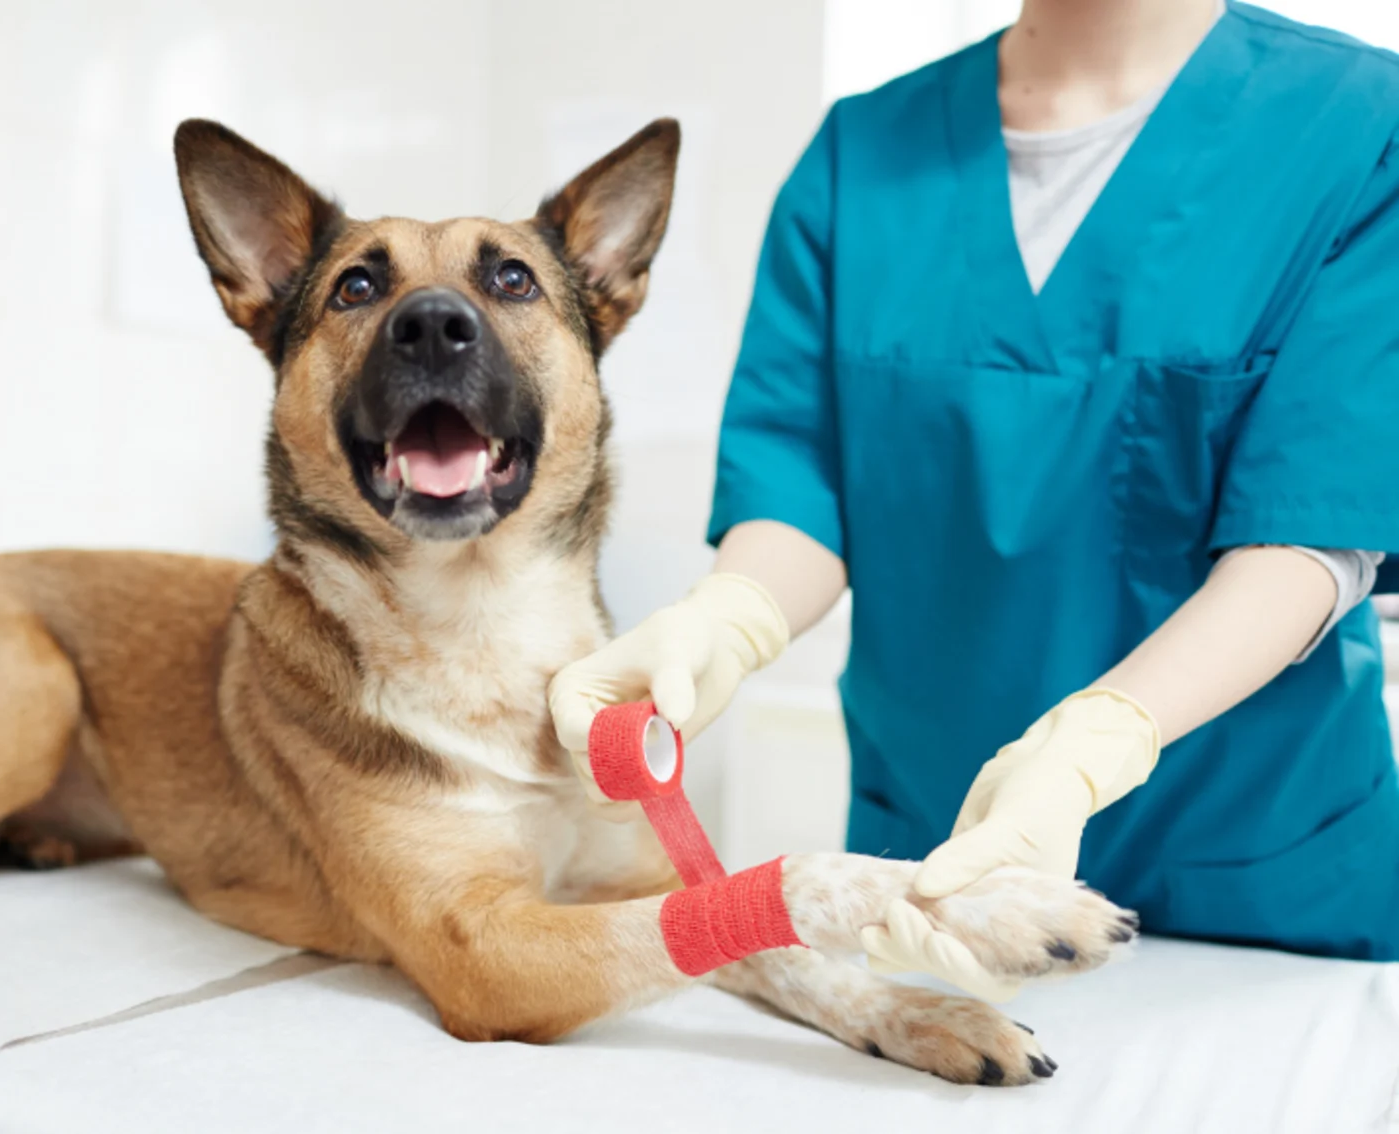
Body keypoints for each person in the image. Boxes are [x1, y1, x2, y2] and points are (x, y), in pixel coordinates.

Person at [549, 0, 1399, 997]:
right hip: (938, 874)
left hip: (1255, 897)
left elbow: (1311, 531)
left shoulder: (1355, 126)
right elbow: (803, 489)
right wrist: (727, 617)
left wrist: (1096, 744)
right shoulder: (858, 157)